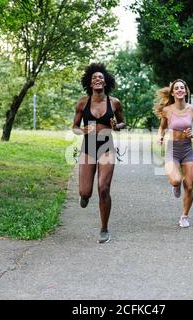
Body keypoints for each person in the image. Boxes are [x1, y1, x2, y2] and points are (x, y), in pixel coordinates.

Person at [72, 63, 126, 243]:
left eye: (101, 78)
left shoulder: (114, 102)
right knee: (85, 192)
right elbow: (75, 127)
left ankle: (104, 228)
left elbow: (122, 123)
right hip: (88, 148)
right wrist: (83, 131)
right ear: (89, 82)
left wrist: (116, 126)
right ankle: (84, 196)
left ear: (105, 82)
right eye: (94, 77)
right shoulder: (82, 103)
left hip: (106, 147)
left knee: (103, 189)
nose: (97, 80)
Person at [155, 79, 193, 228]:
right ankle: (175, 185)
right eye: (177, 88)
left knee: (188, 186)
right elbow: (162, 127)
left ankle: (184, 216)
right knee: (176, 180)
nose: (180, 90)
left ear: (186, 91)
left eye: (182, 87)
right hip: (172, 150)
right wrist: (160, 136)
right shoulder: (167, 110)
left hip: (188, 151)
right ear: (173, 92)